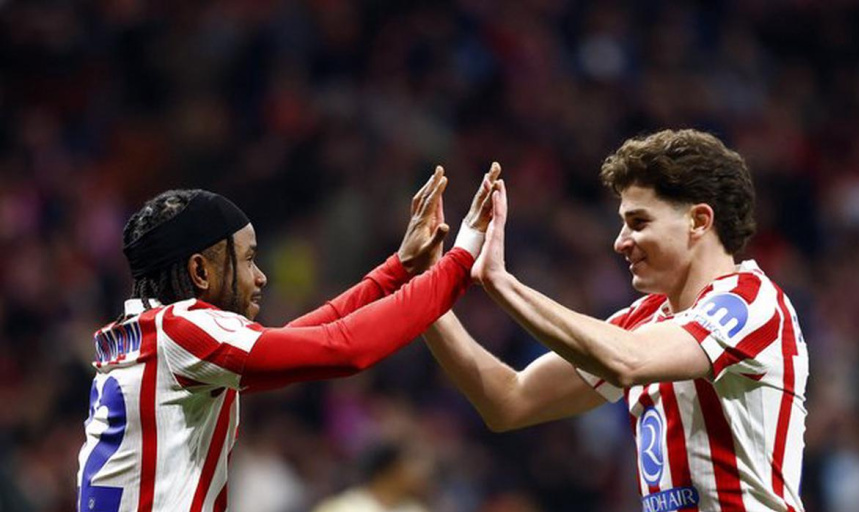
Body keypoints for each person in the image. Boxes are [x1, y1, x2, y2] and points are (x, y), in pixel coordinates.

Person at [76, 164, 501, 512]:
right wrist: (462, 257)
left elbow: (304, 338)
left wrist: (398, 269)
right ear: (200, 271)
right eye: (247, 260)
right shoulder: (181, 329)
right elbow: (342, 349)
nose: (260, 277)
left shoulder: (146, 335)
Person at [425, 130, 809, 512]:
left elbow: (628, 361)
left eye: (638, 222)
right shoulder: (640, 323)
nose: (620, 242)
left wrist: (503, 283)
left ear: (698, 220)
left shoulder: (750, 302)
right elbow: (509, 400)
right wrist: (423, 291)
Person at [311, 441, 431, 512]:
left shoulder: (415, 510)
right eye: (411, 465)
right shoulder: (342, 507)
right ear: (389, 471)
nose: (420, 473)